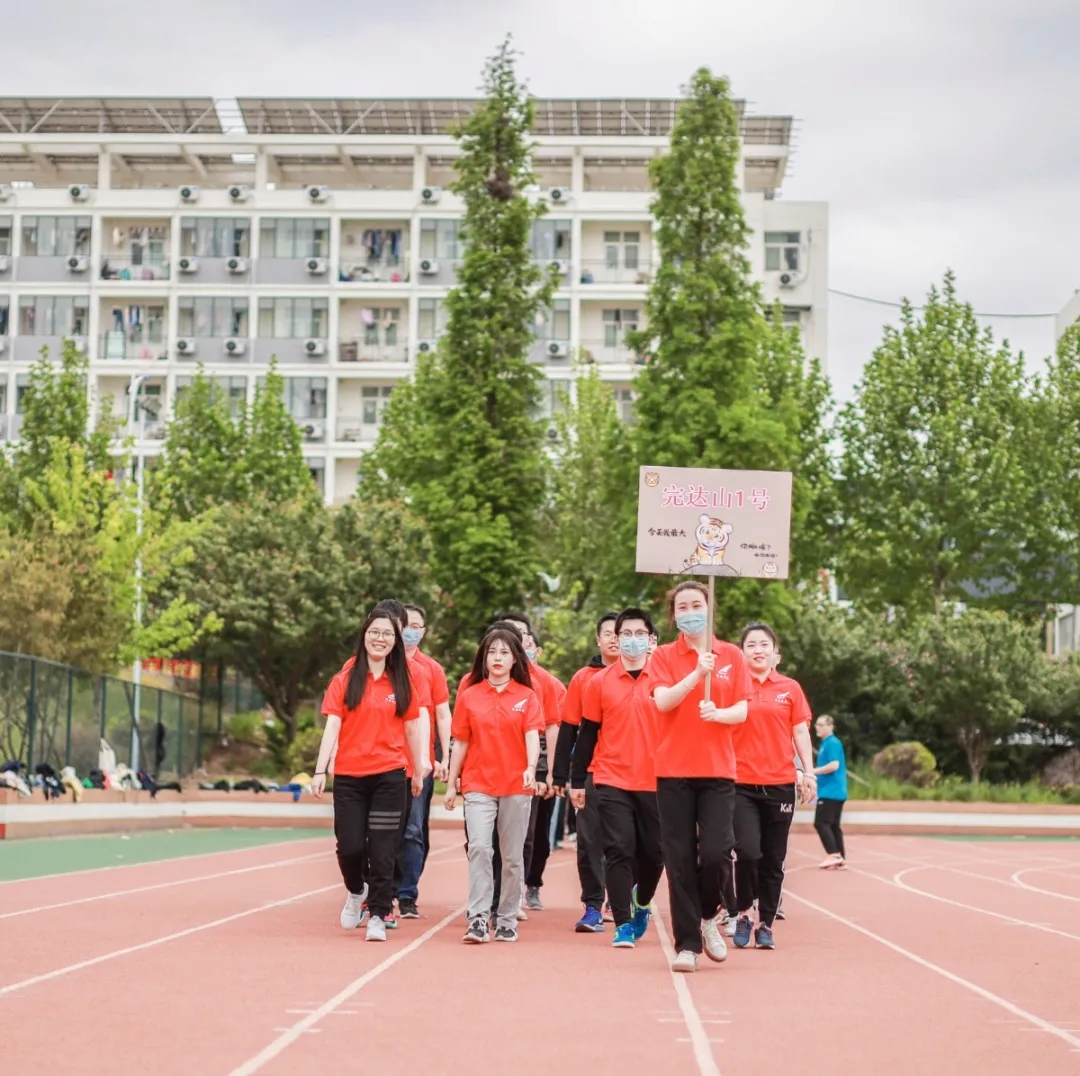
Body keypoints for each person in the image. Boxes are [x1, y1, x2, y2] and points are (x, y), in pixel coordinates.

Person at [649, 581, 751, 973]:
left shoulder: (732, 655)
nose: (690, 611)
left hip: (717, 771)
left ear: (709, 608)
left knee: (715, 852)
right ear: (674, 615)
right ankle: (688, 943)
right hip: (673, 770)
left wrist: (718, 714)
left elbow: (742, 709)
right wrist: (695, 673)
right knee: (678, 861)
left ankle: (710, 914)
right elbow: (662, 702)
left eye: (697, 604)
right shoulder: (663, 656)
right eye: (682, 606)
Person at [312, 607, 428, 943]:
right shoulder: (345, 680)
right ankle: (355, 889)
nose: (381, 639)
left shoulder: (402, 681)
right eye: (375, 632)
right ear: (364, 636)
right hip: (349, 776)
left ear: (395, 641)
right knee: (348, 847)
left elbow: (412, 729)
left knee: (383, 848)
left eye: (388, 634)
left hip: (390, 776)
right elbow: (333, 725)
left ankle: (378, 913)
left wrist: (417, 771)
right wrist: (321, 770)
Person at [570, 607, 663, 950]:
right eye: (626, 634)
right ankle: (623, 922)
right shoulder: (599, 682)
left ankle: (642, 901)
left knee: (655, 853)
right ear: (617, 638)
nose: (633, 640)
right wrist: (577, 781)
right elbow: (587, 735)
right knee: (619, 849)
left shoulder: (665, 678)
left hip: (657, 781)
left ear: (652, 639)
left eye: (640, 634)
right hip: (611, 778)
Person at [445, 627, 543, 943]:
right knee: (479, 848)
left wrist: (530, 768)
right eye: (492, 652)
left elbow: (533, 737)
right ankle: (477, 917)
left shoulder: (527, 696)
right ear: (484, 658)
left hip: (516, 784)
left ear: (515, 659)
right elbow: (459, 741)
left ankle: (506, 917)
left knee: (512, 856)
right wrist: (450, 784)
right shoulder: (470, 695)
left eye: (504, 653)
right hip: (477, 783)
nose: (497, 658)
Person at [728, 623, 816, 951]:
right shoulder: (733, 686)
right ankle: (744, 914)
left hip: (780, 784)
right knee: (748, 851)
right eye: (751, 644)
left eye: (764, 644)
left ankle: (765, 923)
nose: (758, 650)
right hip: (740, 784)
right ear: (742, 653)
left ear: (775, 654)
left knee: (773, 858)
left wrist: (808, 773)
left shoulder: (790, 688)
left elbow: (800, 732)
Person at [552, 612, 621, 931]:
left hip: (634, 774)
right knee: (589, 841)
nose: (614, 638)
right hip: (593, 770)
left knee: (628, 843)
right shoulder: (584, 678)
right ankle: (593, 905)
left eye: (619, 633)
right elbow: (569, 729)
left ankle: (626, 901)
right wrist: (560, 776)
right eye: (607, 633)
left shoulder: (648, 674)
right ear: (598, 639)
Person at [396, 603, 452, 919]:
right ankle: (383, 887)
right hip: (385, 760)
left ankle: (407, 893)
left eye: (416, 625)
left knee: (414, 829)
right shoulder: (381, 665)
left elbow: (441, 714)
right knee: (386, 829)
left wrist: (442, 755)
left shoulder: (431, 669)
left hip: (421, 762)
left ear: (424, 631)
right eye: (405, 624)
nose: (410, 630)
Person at [813, 714, 847, 868]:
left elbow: (834, 765)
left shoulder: (832, 743)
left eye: (821, 725)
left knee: (821, 823)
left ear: (830, 726)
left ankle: (833, 853)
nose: (817, 728)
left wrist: (813, 771)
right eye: (817, 725)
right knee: (833, 825)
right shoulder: (825, 744)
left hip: (831, 792)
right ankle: (840, 857)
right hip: (834, 791)